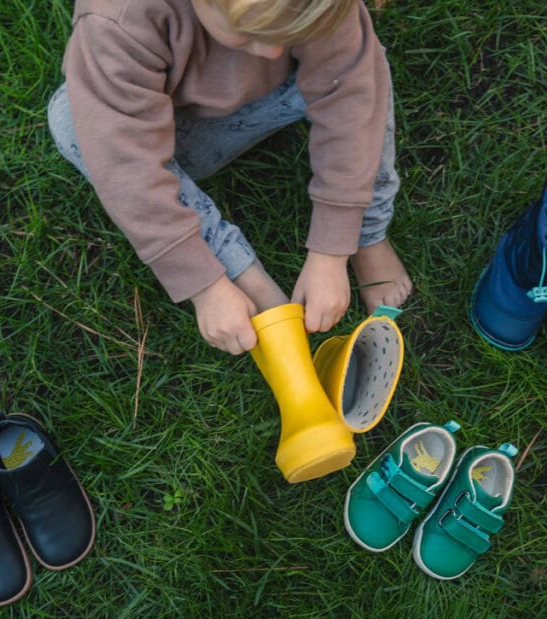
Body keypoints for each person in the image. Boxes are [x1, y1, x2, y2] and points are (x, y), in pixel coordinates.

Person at [48, 0, 412, 355]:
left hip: (285, 91)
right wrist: (205, 284)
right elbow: (127, 167)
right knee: (72, 122)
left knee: (363, 68)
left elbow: (349, 96)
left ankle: (368, 233)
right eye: (250, 34)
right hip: (180, 127)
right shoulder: (118, 19)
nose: (271, 52)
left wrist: (332, 250)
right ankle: (242, 277)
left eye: (286, 34)